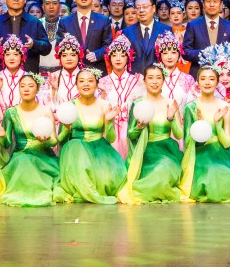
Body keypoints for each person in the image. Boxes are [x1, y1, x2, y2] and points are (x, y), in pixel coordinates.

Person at [0, 70, 66, 206]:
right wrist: (2, 135)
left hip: (43, 156)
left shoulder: (45, 111)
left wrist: (46, 140)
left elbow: (54, 141)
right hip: (20, 156)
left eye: (30, 86)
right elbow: (7, 144)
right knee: (25, 161)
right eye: (22, 86)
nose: (26, 89)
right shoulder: (11, 112)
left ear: (37, 90)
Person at [56, 68, 126, 204]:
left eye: (90, 81)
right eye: (81, 81)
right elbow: (60, 139)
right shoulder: (69, 106)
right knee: (75, 145)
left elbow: (111, 138)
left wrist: (108, 121)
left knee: (105, 181)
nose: (86, 84)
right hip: (75, 152)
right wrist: (67, 128)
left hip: (99, 149)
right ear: (76, 85)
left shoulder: (104, 105)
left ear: (97, 84)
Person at [117, 65, 184, 204]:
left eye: (158, 78)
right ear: (144, 81)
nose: (154, 82)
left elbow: (178, 135)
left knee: (165, 167)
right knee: (153, 175)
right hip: (145, 151)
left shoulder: (170, 103)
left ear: (163, 80)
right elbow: (131, 135)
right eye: (150, 78)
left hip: (167, 151)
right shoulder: (138, 104)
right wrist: (138, 127)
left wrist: (171, 119)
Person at [178, 65, 230, 203]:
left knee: (227, 179)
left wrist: (217, 124)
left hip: (221, 154)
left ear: (217, 82)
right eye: (203, 79)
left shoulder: (224, 106)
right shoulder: (191, 107)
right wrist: (200, 128)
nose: (207, 82)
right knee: (210, 174)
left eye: (211, 79)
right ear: (198, 82)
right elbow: (187, 142)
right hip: (200, 154)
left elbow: (227, 143)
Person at [182, 0, 230, 80]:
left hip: (223, 77)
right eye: (208, 1)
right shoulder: (193, 25)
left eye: (215, 1)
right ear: (203, 4)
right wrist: (204, 53)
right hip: (199, 75)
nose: (212, 4)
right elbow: (185, 52)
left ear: (221, 5)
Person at [99, 36, 142, 158]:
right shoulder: (102, 82)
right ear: (109, 58)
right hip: (109, 127)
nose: (118, 59)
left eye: (122, 55)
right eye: (114, 55)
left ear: (128, 58)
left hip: (130, 127)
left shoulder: (136, 81)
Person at [153, 31, 192, 108]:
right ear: (160, 55)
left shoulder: (188, 79)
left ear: (179, 55)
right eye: (165, 53)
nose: (169, 57)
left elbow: (192, 106)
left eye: (173, 52)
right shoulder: (155, 78)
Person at [48, 34, 89, 107]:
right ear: (59, 58)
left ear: (79, 56)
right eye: (64, 55)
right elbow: (44, 103)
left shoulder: (87, 76)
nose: (69, 59)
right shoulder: (53, 77)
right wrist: (53, 90)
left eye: (73, 55)